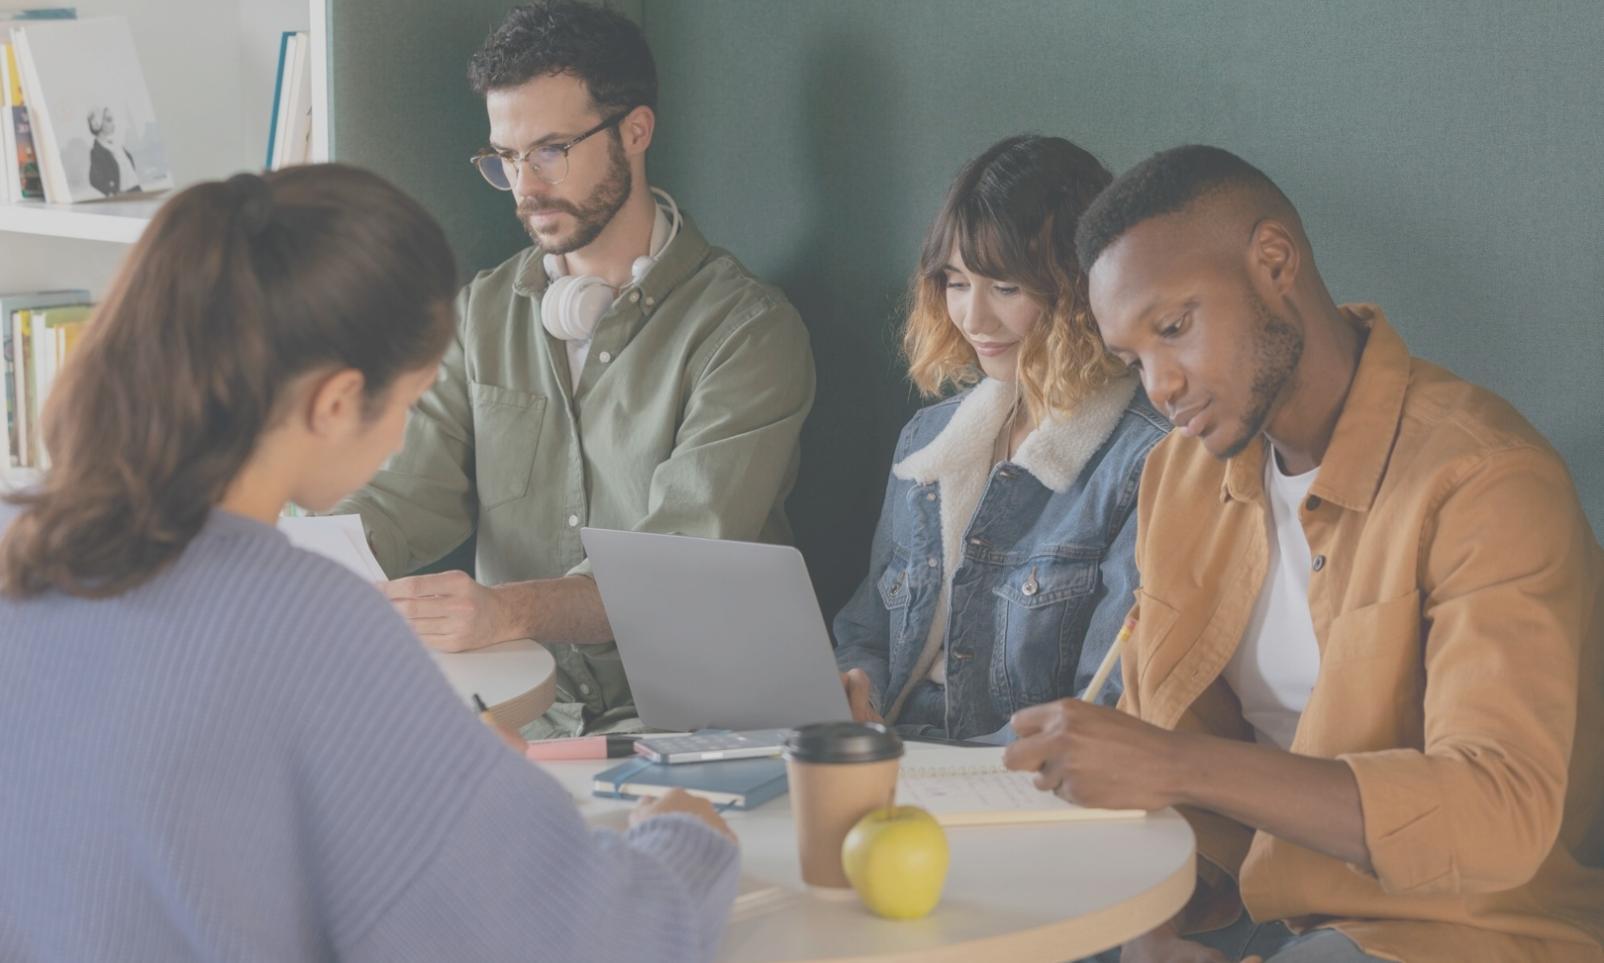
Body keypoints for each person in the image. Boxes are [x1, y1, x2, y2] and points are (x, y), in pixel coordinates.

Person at [0, 165, 739, 962]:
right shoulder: (311, 625)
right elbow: (571, 937)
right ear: (335, 402)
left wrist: (438, 767)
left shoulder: (25, 546)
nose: (400, 436)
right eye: (408, 403)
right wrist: (687, 843)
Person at [1002, 144, 1603, 962]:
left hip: (1449, 931)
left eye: (1174, 328)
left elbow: (1500, 812)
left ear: (1274, 262)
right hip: (1245, 906)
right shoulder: (1179, 476)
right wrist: (1150, 933)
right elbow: (1165, 770)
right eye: (1134, 358)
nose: (1160, 386)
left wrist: (1180, 765)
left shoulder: (1484, 481)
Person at [332, 0, 815, 737]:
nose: (525, 187)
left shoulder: (746, 331)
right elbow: (403, 495)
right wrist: (296, 558)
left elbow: (674, 564)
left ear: (636, 130)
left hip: (702, 725)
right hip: (531, 714)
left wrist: (506, 610)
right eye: (507, 157)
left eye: (551, 149)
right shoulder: (480, 314)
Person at [832, 135, 1169, 741]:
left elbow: (1107, 701)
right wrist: (856, 691)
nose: (973, 318)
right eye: (956, 283)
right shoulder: (926, 441)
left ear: (1081, 288)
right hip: (891, 754)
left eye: (1006, 288)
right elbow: (868, 631)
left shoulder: (1146, 457)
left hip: (1010, 779)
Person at [86, 106, 141, 197]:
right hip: (124, 197)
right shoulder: (97, 152)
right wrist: (111, 191)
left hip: (137, 191)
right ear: (98, 124)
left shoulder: (116, 144)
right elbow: (94, 180)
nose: (113, 123)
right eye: (108, 119)